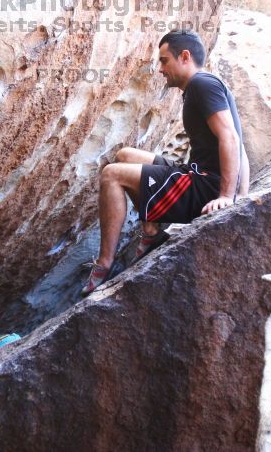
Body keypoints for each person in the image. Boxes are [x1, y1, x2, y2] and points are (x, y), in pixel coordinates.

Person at [81, 29, 250, 295]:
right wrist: (242, 190)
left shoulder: (201, 85)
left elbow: (230, 136)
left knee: (112, 175)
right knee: (126, 155)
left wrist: (229, 196)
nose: (160, 69)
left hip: (204, 187)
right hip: (197, 174)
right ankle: (151, 231)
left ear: (184, 57)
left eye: (164, 60)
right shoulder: (201, 86)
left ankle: (104, 264)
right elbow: (237, 140)